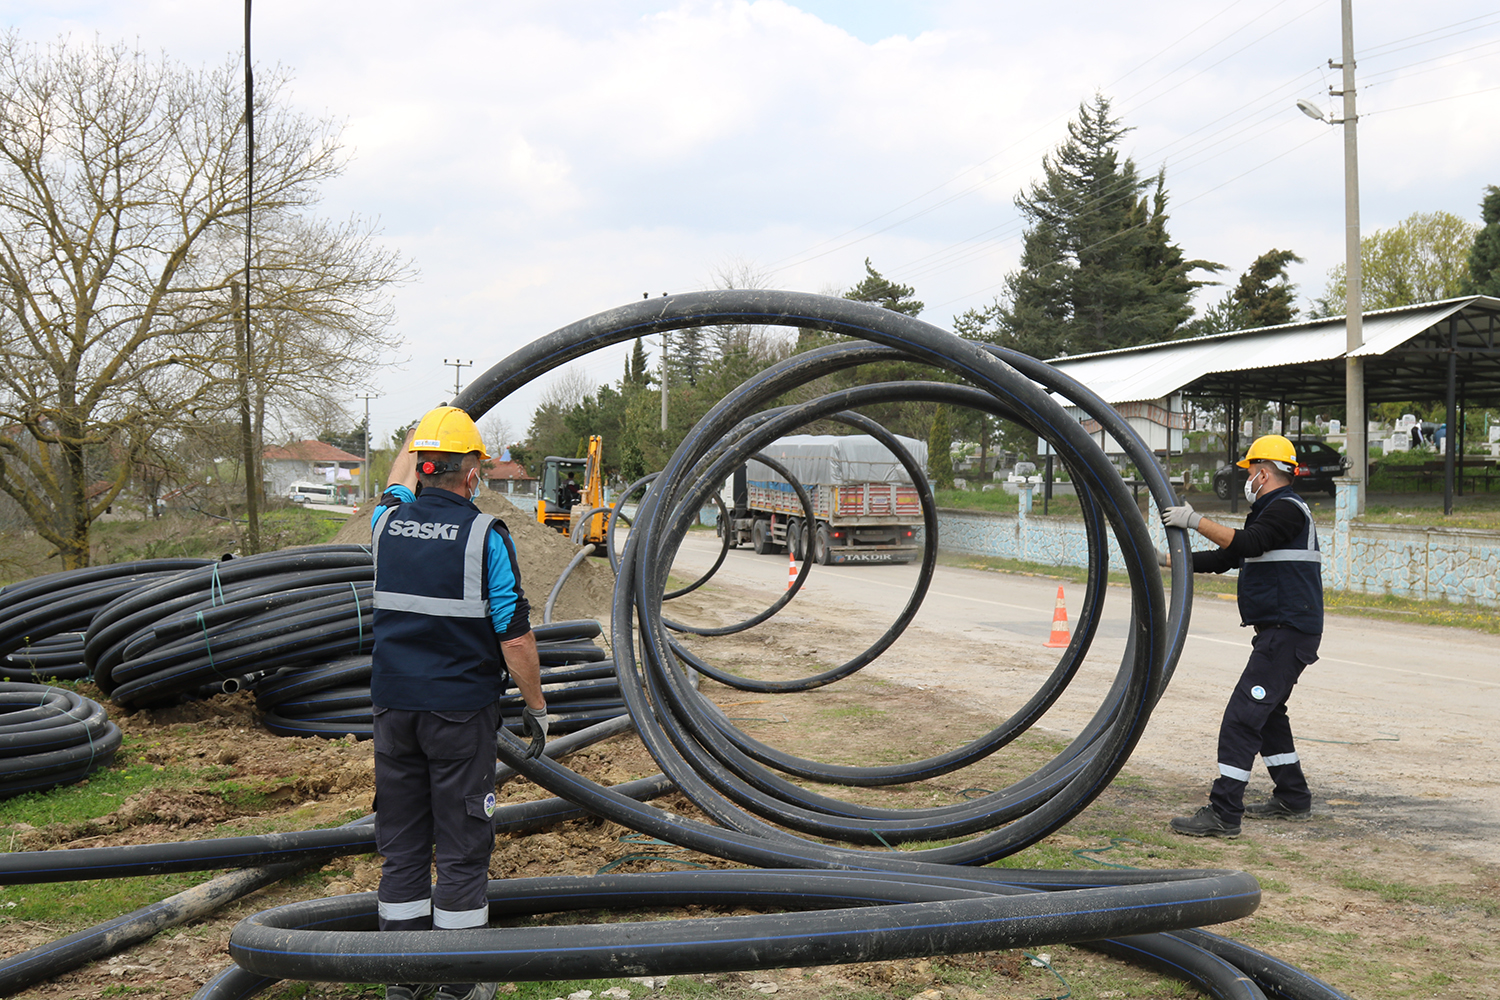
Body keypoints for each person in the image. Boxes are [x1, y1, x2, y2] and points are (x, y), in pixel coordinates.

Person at [369, 406, 549, 1000]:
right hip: (459, 713)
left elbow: (395, 478)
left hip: (394, 711)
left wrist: (419, 432)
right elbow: (515, 635)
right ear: (472, 475)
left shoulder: (385, 523)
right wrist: (536, 706)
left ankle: (403, 981)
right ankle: (458, 983)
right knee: (463, 845)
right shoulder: (484, 536)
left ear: (422, 470)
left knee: (402, 845)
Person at [1160, 434, 1323, 838]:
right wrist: (1165, 560)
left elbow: (1248, 543)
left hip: (1287, 631)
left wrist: (1195, 521)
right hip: (1282, 629)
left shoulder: (1286, 510)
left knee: (1241, 718)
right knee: (1268, 716)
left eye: (1249, 471)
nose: (1245, 478)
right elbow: (1228, 558)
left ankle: (1224, 811)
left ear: (1263, 472)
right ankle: (1292, 796)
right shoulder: (1272, 510)